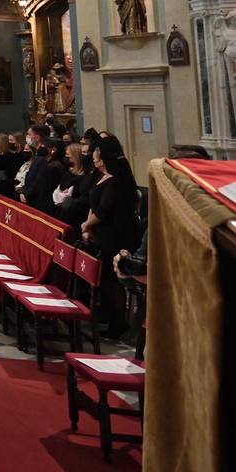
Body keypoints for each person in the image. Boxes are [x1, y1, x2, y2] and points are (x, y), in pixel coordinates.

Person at [82, 137, 143, 338]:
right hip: (100, 234)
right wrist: (88, 228)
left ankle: (119, 322)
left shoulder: (115, 182)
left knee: (112, 280)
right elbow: (94, 205)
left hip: (114, 236)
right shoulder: (102, 178)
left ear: (103, 159)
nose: (94, 158)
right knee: (104, 279)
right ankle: (107, 315)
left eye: (97, 155)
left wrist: (87, 225)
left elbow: (104, 210)